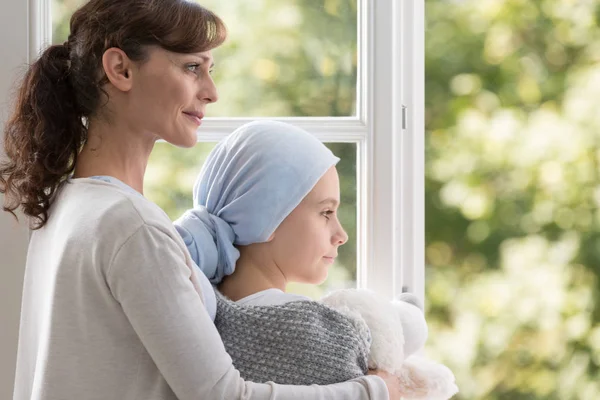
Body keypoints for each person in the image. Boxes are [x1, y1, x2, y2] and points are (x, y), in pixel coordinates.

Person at [0, 1, 403, 399]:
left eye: (210, 71)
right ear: (120, 69)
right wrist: (375, 390)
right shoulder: (131, 226)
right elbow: (224, 395)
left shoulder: (71, 204)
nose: (210, 92)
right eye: (192, 67)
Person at [174, 120, 429, 385]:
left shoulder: (201, 320)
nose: (341, 235)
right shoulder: (320, 334)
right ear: (265, 218)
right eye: (326, 212)